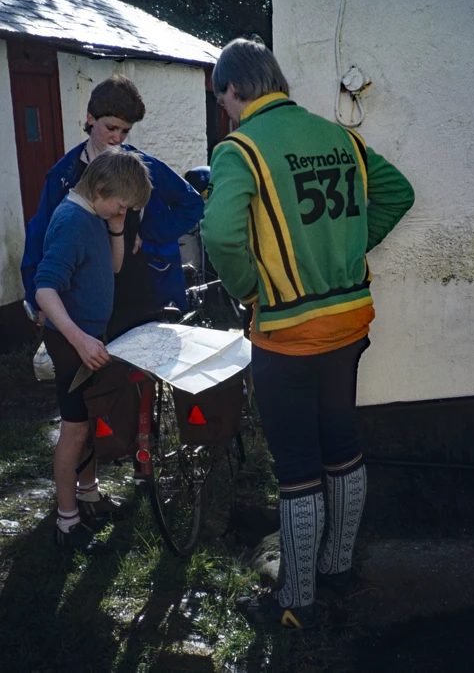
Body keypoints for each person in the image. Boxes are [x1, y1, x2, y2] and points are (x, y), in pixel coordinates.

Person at [200, 37, 415, 628]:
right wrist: (347, 249)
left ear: (236, 91)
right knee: (341, 446)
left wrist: (249, 289)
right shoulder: (339, 136)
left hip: (287, 335)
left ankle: (295, 602)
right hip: (348, 324)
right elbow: (398, 192)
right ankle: (339, 570)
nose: (227, 112)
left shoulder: (239, 148)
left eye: (225, 101)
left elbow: (220, 237)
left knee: (296, 466)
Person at [22, 74, 205, 339]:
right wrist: (37, 299)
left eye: (125, 131)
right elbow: (39, 236)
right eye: (110, 128)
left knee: (139, 364)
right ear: (91, 118)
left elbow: (191, 204)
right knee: (95, 368)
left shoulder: (143, 167)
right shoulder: (63, 175)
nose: (117, 137)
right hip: (83, 290)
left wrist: (146, 232)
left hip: (135, 283)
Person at [35, 149, 152, 553]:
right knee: (75, 429)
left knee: (92, 415)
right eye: (121, 204)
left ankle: (88, 494)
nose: (123, 210)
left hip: (90, 340)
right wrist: (78, 339)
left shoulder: (96, 216)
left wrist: (118, 227)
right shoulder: (72, 222)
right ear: (100, 188)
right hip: (73, 345)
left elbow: (114, 269)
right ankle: (67, 522)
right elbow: (44, 287)